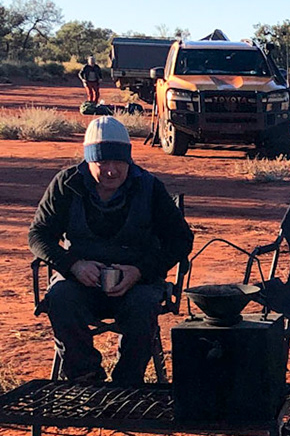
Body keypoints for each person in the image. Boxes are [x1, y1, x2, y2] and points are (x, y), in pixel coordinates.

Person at [27, 116, 194, 384]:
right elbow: (38, 235)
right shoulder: (66, 184)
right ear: (88, 161)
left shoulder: (149, 187)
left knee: (143, 306)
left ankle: (127, 383)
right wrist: (73, 265)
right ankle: (85, 376)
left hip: (137, 284)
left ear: (129, 160)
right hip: (80, 282)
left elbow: (181, 239)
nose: (111, 170)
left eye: (119, 162)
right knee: (60, 298)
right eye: (102, 162)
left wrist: (139, 271)